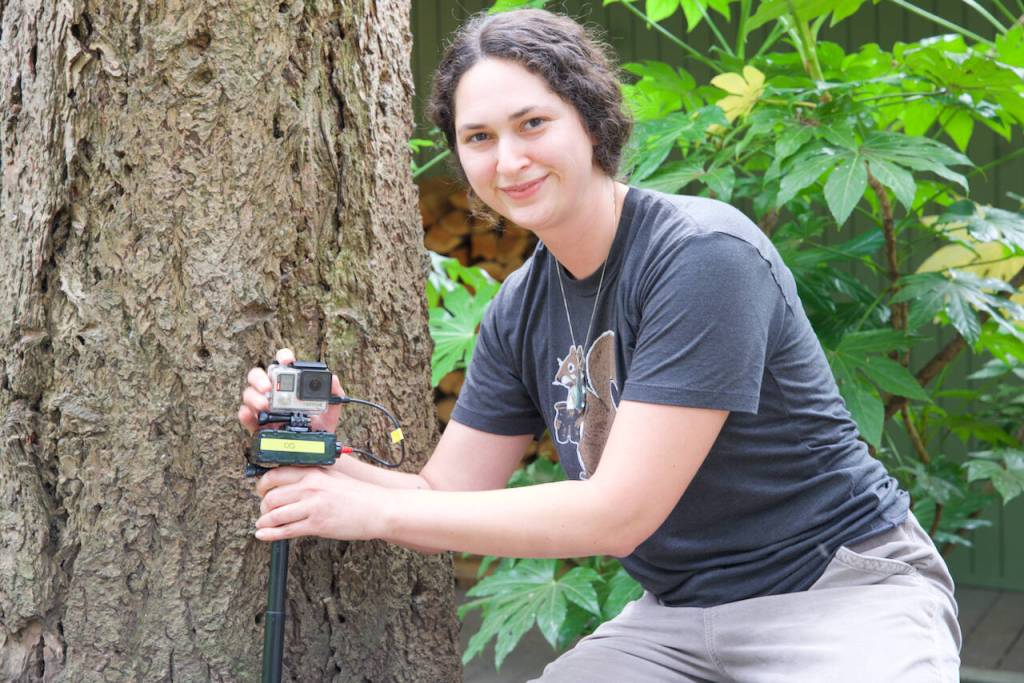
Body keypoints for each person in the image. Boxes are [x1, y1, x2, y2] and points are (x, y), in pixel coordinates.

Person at [238, 9, 961, 681]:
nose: (509, 159)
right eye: (480, 137)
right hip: (676, 617)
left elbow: (619, 512)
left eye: (532, 123)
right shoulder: (520, 307)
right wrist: (321, 453)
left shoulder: (703, 254)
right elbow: (441, 499)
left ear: (590, 120)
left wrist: (374, 511)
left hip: (835, 591)